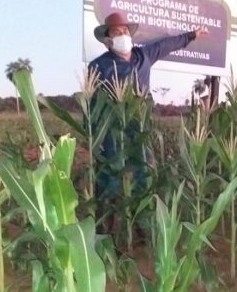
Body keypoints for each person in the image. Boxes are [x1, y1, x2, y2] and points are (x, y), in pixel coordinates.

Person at [88, 12, 208, 231]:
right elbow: (93, 105)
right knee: (110, 178)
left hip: (140, 127)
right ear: (108, 41)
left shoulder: (143, 56)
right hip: (113, 130)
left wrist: (192, 35)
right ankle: (106, 232)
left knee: (143, 173)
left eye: (125, 31)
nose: (122, 35)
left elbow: (166, 44)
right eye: (117, 33)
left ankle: (142, 228)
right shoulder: (99, 66)